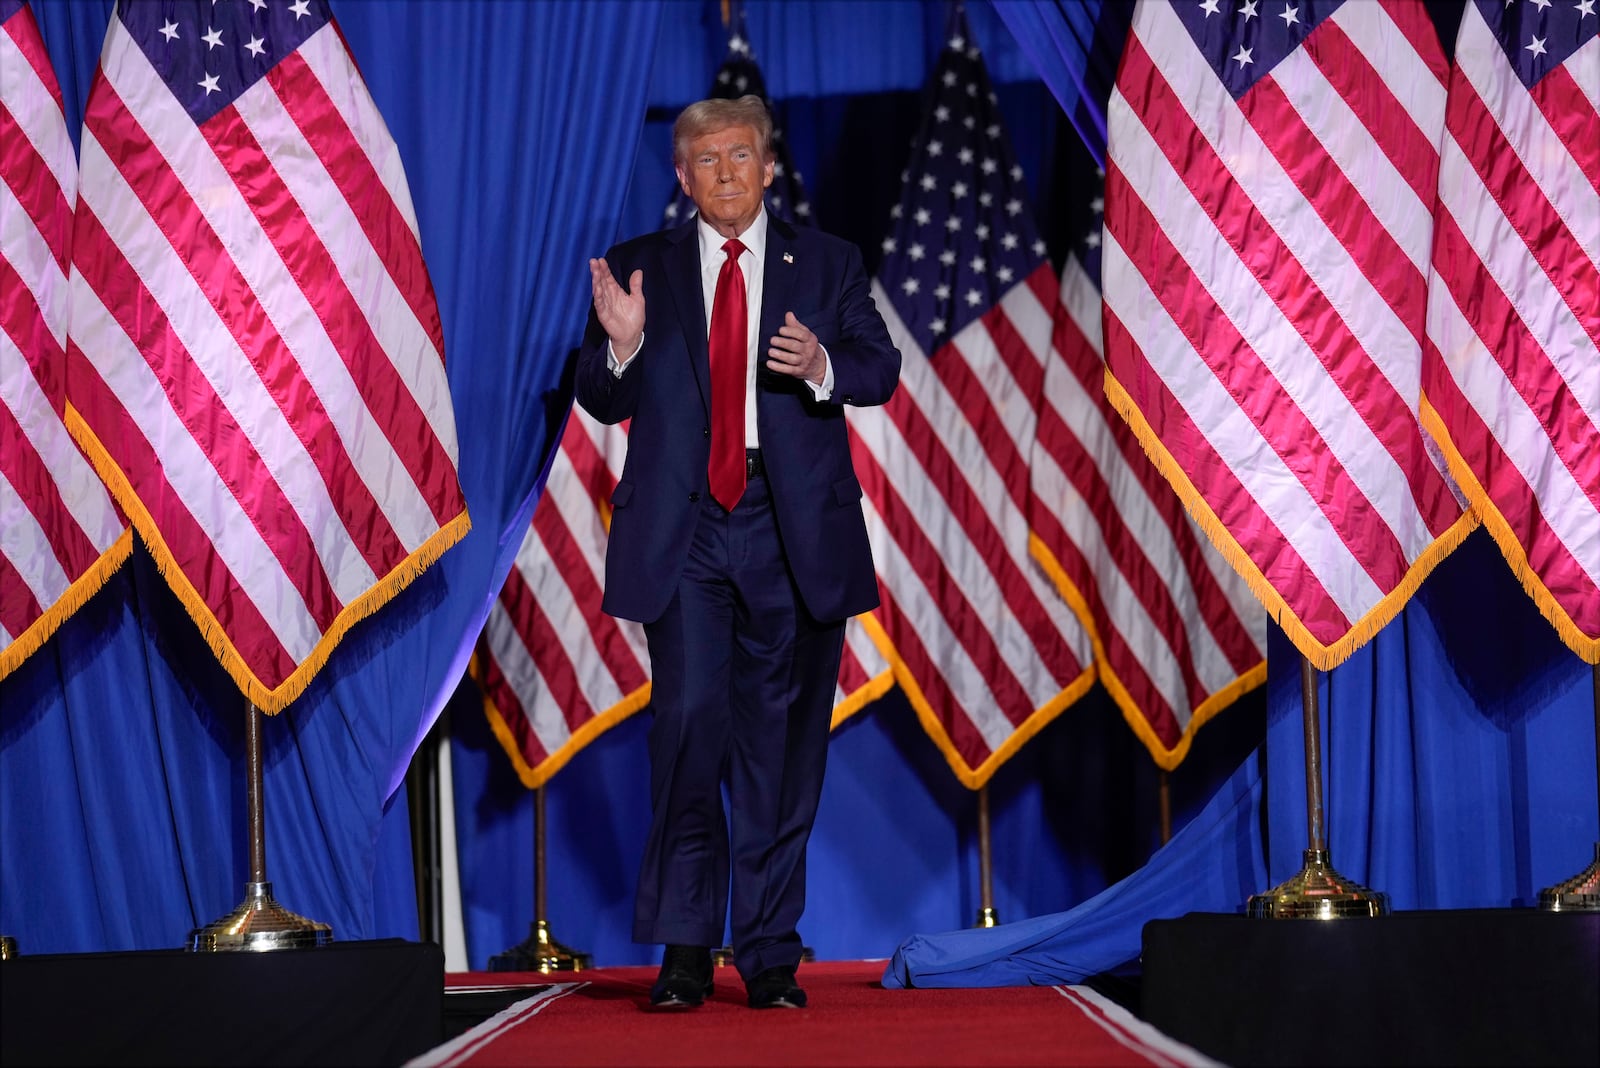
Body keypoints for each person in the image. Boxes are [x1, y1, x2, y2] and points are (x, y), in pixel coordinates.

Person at [576, 94, 901, 1010]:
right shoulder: (641, 267)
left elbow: (879, 368)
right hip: (685, 532)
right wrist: (621, 349)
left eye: (739, 155)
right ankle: (685, 952)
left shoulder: (826, 262)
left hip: (789, 528)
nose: (724, 172)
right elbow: (601, 399)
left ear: (768, 166)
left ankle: (767, 956)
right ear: (681, 178)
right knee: (687, 729)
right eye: (705, 159)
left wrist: (824, 367)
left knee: (781, 748)